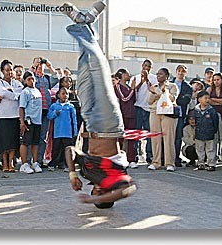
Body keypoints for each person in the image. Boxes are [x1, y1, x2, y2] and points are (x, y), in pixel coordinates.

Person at [63, 1, 137, 207]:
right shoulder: (115, 177)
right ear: (106, 191)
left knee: (84, 70)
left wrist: (72, 174)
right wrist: (97, 199)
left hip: (91, 123)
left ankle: (86, 21)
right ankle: (83, 24)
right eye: (98, 193)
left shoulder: (88, 171)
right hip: (109, 126)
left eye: (94, 192)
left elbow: (70, 150)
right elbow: (128, 190)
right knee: (100, 68)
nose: (94, 189)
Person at [0, 59, 23, 172]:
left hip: (15, 116)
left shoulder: (16, 83)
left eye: (11, 70)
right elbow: (2, 92)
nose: (9, 72)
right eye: (7, 70)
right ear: (2, 71)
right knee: (4, 142)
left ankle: (11, 163)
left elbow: (21, 91)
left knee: (13, 142)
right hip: (3, 117)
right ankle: (4, 163)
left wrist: (12, 92)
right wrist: (13, 94)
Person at [29, 56, 59, 166]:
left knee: (43, 137)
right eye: (37, 65)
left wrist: (49, 65)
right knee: (31, 137)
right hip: (34, 112)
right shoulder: (31, 77)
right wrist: (33, 67)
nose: (39, 67)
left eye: (40, 65)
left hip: (45, 111)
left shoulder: (46, 78)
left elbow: (56, 78)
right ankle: (29, 160)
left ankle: (39, 160)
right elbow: (24, 80)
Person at [147, 68, 178, 172]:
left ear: (166, 76)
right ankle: (156, 162)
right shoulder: (154, 86)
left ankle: (170, 163)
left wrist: (161, 92)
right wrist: (153, 92)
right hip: (154, 112)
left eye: (160, 74)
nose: (158, 76)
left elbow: (172, 99)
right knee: (155, 137)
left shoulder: (172, 86)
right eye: (157, 74)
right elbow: (150, 101)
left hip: (167, 113)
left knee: (168, 138)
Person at [132, 59, 157, 165]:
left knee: (149, 134)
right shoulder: (135, 77)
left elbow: (153, 89)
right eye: (145, 65)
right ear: (142, 66)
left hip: (149, 108)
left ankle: (149, 156)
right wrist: (141, 81)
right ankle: (135, 156)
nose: (146, 68)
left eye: (149, 66)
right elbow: (132, 91)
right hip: (138, 107)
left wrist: (146, 79)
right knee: (137, 133)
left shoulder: (154, 78)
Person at [47, 87, 77, 171]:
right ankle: (53, 164)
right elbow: (49, 116)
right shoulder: (54, 106)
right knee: (56, 148)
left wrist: (75, 131)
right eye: (63, 94)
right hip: (57, 132)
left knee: (67, 149)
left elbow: (74, 119)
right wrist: (54, 113)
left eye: (66, 94)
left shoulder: (70, 106)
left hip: (68, 132)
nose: (65, 96)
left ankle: (66, 164)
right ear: (58, 95)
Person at [19, 71, 43, 174]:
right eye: (29, 79)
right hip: (28, 121)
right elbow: (21, 108)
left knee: (35, 143)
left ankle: (35, 162)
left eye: (32, 78)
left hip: (38, 121)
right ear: (25, 81)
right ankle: (24, 164)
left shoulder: (37, 91)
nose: (31, 81)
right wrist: (22, 122)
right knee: (25, 142)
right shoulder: (25, 92)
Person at [114, 68, 137, 168]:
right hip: (123, 115)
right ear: (122, 75)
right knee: (120, 138)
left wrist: (133, 89)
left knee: (132, 137)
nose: (129, 75)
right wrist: (132, 89)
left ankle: (131, 159)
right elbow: (124, 98)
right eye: (127, 73)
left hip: (131, 114)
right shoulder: (118, 86)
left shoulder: (128, 86)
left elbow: (134, 99)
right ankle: (119, 159)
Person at [170, 64, 192, 167]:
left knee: (178, 138)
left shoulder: (188, 87)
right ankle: (165, 158)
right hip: (167, 115)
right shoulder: (169, 83)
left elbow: (185, 101)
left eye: (183, 71)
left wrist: (174, 99)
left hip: (180, 115)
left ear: (185, 73)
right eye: (179, 70)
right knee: (167, 137)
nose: (180, 73)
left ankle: (176, 158)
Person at [193, 90, 219, 171]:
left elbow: (215, 122)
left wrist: (213, 131)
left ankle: (211, 164)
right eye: (205, 98)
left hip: (209, 133)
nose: (207, 100)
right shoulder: (196, 110)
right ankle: (201, 163)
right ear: (199, 99)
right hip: (199, 133)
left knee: (210, 149)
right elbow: (194, 122)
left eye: (208, 98)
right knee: (200, 149)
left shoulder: (212, 111)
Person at [206, 72, 222, 162]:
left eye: (218, 79)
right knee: (214, 137)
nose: (216, 81)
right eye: (214, 80)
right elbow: (207, 100)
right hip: (213, 114)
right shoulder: (209, 89)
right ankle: (214, 157)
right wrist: (218, 101)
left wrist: (214, 100)